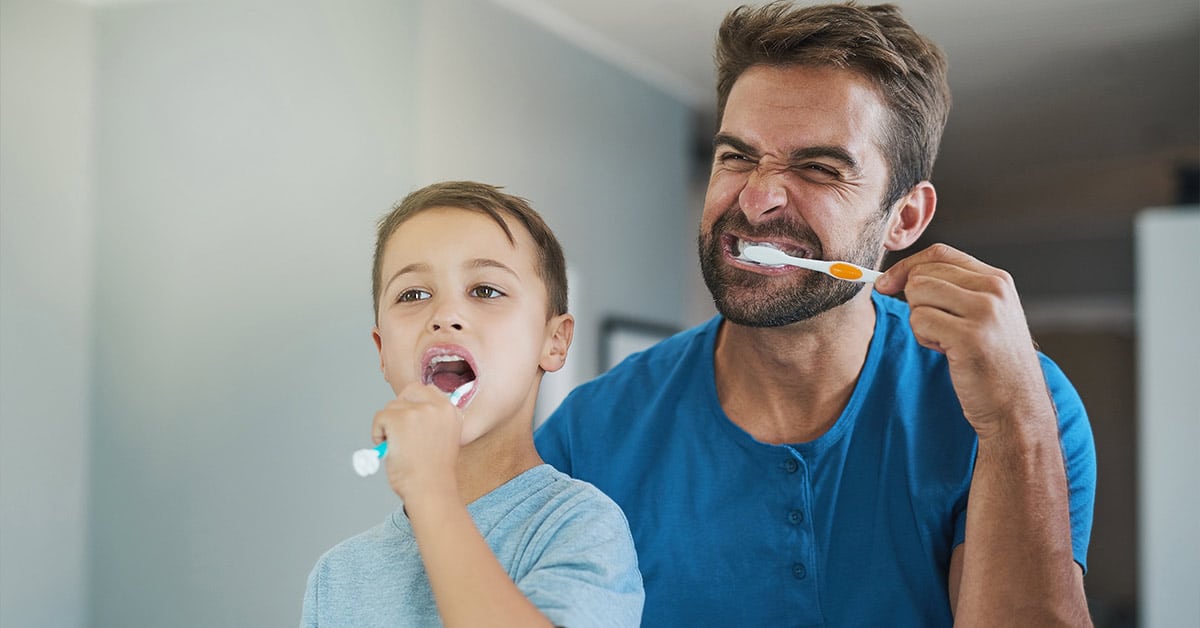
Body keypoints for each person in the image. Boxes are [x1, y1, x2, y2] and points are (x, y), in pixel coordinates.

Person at [535, 2, 1096, 626]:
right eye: (737, 157)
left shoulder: (1025, 407)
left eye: (819, 168)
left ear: (905, 217)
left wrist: (1016, 422)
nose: (757, 198)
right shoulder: (587, 434)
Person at [302, 181, 644, 627]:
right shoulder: (336, 577)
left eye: (485, 290)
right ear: (382, 351)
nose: (444, 315)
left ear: (554, 341)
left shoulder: (580, 525)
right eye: (413, 294)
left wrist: (431, 490)